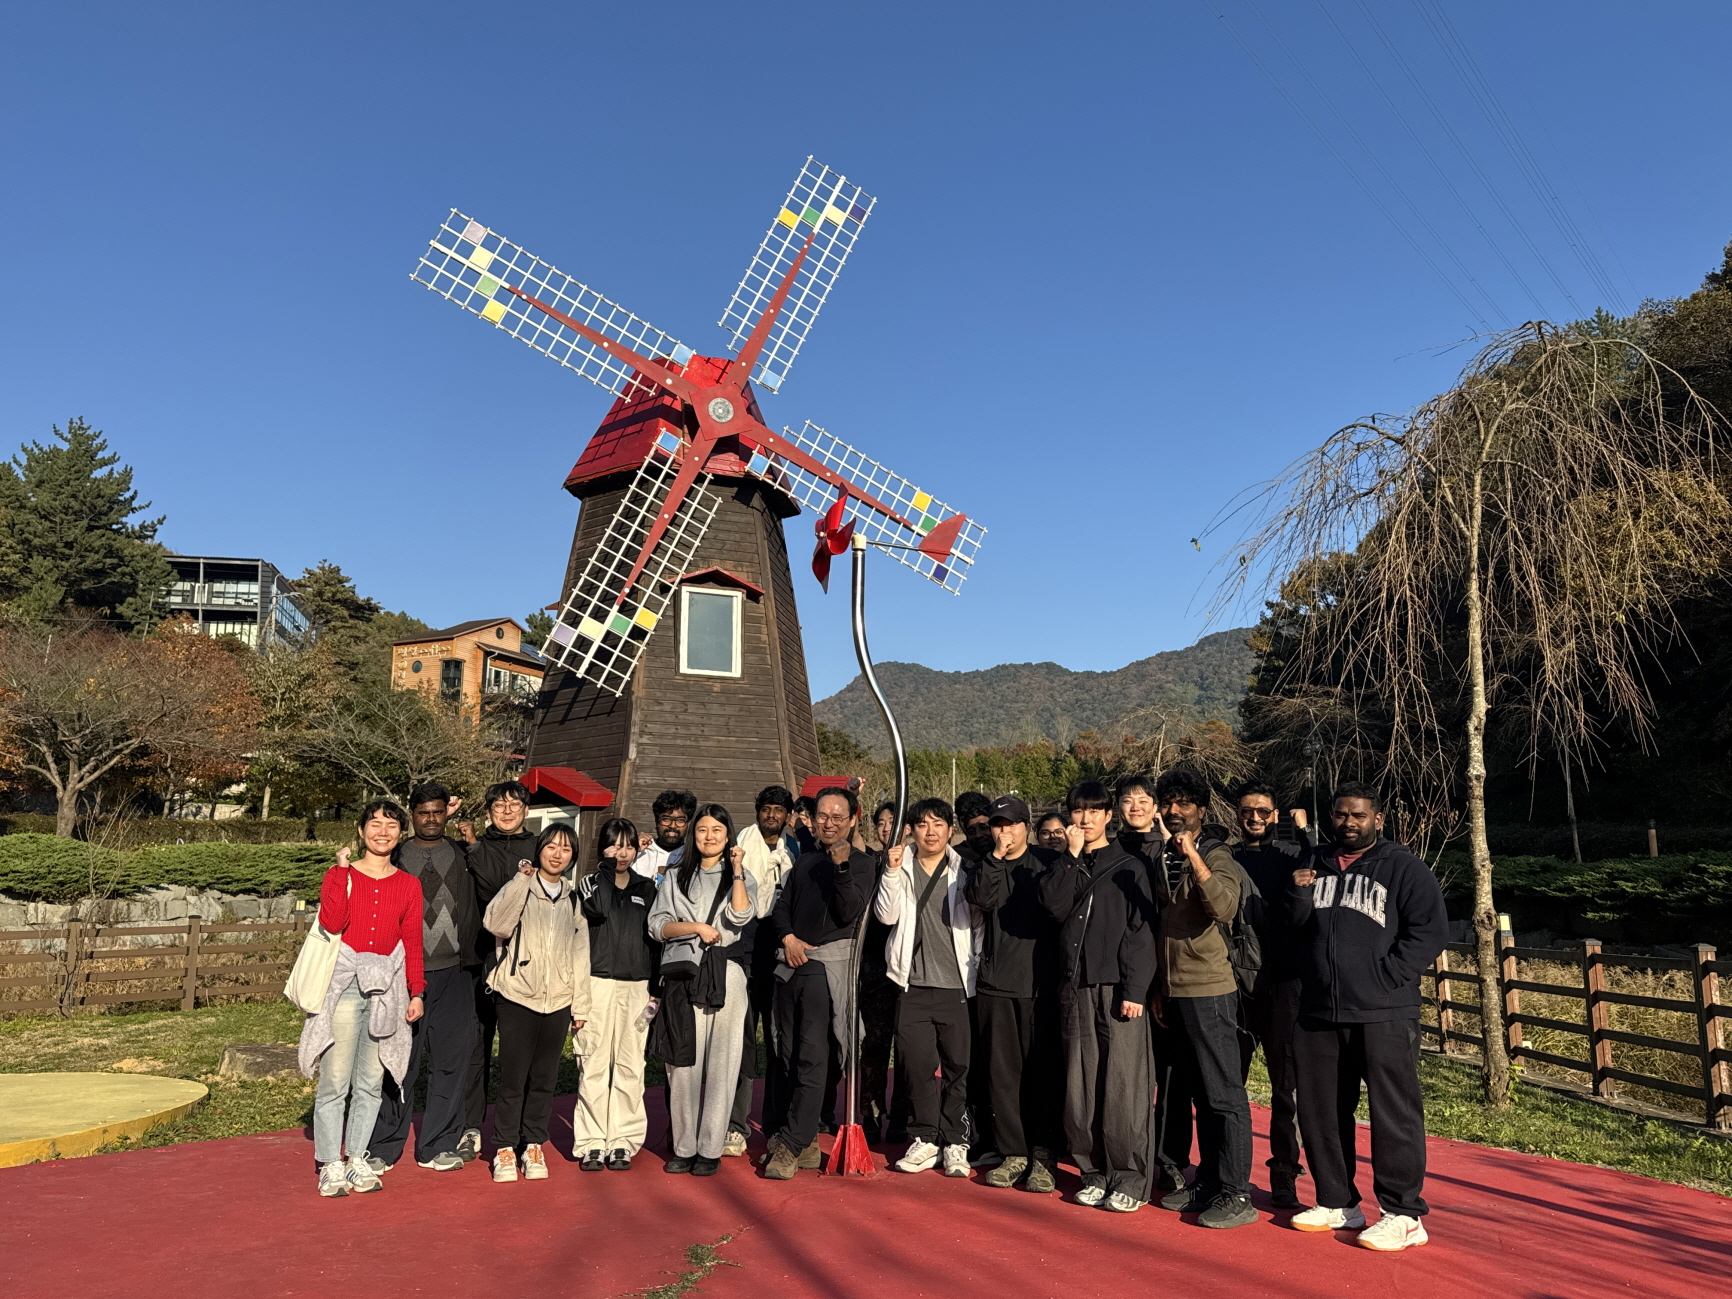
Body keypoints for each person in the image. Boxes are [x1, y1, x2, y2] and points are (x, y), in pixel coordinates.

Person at [1286, 782, 1448, 1251]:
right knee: (1321, 1110)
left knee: (1393, 1112)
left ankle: (1404, 1214)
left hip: (1384, 1010)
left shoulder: (1403, 867)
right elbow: (1290, 928)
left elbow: (1429, 931)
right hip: (1319, 1009)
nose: (1349, 823)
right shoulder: (1312, 863)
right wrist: (1297, 895)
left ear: (1378, 819)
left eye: (1358, 815)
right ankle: (1338, 1201)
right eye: (1341, 814)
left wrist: (1386, 976)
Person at [1038, 780, 1155, 1213]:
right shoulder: (1063, 863)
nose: (1084, 819)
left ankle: (1128, 1177)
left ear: (1109, 816)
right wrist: (1069, 858)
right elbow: (1053, 907)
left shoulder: (1129, 866)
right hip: (1075, 985)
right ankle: (1093, 1172)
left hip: (1117, 988)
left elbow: (1141, 932)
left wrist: (1135, 989)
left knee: (1123, 1084)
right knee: (1080, 1084)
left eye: (1094, 811)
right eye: (1077, 811)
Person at [297, 801, 424, 1197]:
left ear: (400, 833)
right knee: (335, 1080)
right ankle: (329, 1163)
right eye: (375, 824)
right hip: (345, 985)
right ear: (360, 829)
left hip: (387, 987)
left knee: (370, 1082)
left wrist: (417, 991)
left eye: (391, 825)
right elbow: (333, 921)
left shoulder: (409, 885)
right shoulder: (341, 874)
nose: (382, 832)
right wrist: (340, 871)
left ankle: (356, 1158)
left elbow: (412, 941)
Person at [1150, 767, 1256, 1229]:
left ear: (1202, 809)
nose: (1174, 811)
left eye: (1184, 803)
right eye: (1168, 803)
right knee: (1200, 1094)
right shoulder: (1161, 856)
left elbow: (1224, 907)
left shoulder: (1217, 854)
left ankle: (1236, 1193)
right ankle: (1210, 1181)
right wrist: (1159, 986)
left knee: (1224, 1094)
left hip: (1210, 989)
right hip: (1175, 991)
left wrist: (1194, 855)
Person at [762, 787, 873, 1178]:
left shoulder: (862, 864)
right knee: (786, 1053)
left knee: (813, 1057)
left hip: (825, 971)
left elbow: (849, 912)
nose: (829, 823)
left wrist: (842, 869)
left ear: (853, 819)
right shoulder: (805, 861)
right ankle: (804, 1139)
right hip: (791, 964)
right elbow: (781, 908)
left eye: (837, 817)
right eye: (822, 816)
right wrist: (788, 938)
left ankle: (792, 1145)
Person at [368, 783, 478, 1176]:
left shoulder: (464, 855)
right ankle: (382, 1146)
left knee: (450, 1063)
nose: (431, 819)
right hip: (403, 975)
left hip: (456, 973)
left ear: (447, 812)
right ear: (411, 815)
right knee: (398, 1064)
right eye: (423, 813)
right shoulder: (395, 855)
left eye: (438, 812)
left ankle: (438, 1144)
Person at [647, 804, 757, 1175]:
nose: (709, 837)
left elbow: (741, 915)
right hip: (685, 972)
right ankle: (684, 1146)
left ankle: (710, 1147)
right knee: (682, 1063)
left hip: (727, 971)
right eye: (702, 830)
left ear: (728, 836)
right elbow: (657, 925)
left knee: (724, 1062)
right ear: (693, 835)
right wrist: (694, 927)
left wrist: (737, 869)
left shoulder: (740, 876)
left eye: (717, 830)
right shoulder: (677, 875)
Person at [875, 798, 982, 1177]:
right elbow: (886, 915)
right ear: (912, 830)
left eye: (938, 824)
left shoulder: (964, 869)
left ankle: (955, 1141)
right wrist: (890, 872)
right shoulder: (900, 866)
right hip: (913, 986)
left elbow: (977, 925)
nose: (931, 832)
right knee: (916, 1067)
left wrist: (975, 968)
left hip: (956, 987)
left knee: (957, 1068)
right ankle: (925, 1138)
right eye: (923, 824)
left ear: (950, 830)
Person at [481, 822, 592, 1183]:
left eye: (566, 849)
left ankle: (533, 1144)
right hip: (517, 996)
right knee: (513, 1079)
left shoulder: (573, 899)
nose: (558, 854)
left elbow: (581, 955)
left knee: (545, 1079)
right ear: (539, 849)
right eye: (551, 846)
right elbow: (496, 924)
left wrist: (580, 1005)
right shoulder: (521, 886)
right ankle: (504, 1147)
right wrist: (520, 881)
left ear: (573, 857)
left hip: (558, 1000)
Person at [964, 795, 1062, 1193]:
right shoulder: (985, 864)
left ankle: (1043, 1155)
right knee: (1002, 1076)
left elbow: (1058, 907)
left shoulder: (1048, 862)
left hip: (1041, 985)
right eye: (998, 825)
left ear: (1027, 827)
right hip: (996, 983)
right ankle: (1013, 1152)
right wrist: (996, 858)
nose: (1005, 831)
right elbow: (979, 898)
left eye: (1012, 824)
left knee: (1043, 1074)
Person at [1230, 779, 1313, 1209]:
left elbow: (1321, 863)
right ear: (1237, 814)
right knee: (1229, 1084)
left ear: (1274, 815)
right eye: (1247, 810)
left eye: (1263, 811)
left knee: (1286, 1087)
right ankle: (1227, 1172)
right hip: (1237, 985)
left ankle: (1284, 1174)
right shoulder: (1226, 857)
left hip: (1284, 983)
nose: (1255, 817)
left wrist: (1305, 832)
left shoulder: (1293, 854)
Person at [1115, 772, 1192, 1198]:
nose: (1136, 806)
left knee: (1170, 1075)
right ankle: (1123, 1151)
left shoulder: (1169, 849)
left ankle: (1170, 1159)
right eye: (1128, 799)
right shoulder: (1108, 848)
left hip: (1165, 979)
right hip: (1121, 980)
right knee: (1124, 1076)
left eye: (1144, 799)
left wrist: (1158, 983)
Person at [574, 817, 660, 1172]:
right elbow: (598, 909)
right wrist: (607, 870)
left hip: (637, 985)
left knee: (630, 1064)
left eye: (628, 845)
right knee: (593, 1062)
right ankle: (592, 1142)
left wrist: (656, 990)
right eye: (614, 845)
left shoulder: (648, 888)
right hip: (597, 982)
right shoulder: (590, 882)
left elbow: (655, 938)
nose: (622, 852)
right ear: (603, 848)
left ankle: (622, 1140)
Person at [461, 779, 538, 1162]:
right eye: (499, 806)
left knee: (518, 1053)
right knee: (476, 1048)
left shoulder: (539, 847)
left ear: (526, 809)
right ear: (489, 810)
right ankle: (470, 1126)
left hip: (525, 963)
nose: (506, 811)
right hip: (479, 959)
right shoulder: (471, 846)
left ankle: (518, 1129)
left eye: (514, 805)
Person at [730, 785, 800, 1159]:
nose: (772, 815)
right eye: (766, 808)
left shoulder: (795, 850)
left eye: (779, 810)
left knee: (777, 1041)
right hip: (746, 948)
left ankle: (774, 1124)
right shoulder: (739, 846)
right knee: (741, 1041)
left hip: (779, 950)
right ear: (757, 811)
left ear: (788, 815)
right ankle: (735, 1124)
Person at [637, 790, 695, 882]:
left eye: (680, 820)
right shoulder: (640, 853)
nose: (672, 826)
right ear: (656, 820)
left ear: (688, 823)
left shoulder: (693, 857)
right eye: (666, 819)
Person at [954, 790, 995, 863]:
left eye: (983, 828)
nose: (978, 835)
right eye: (964, 819)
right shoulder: (955, 856)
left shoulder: (1009, 856)